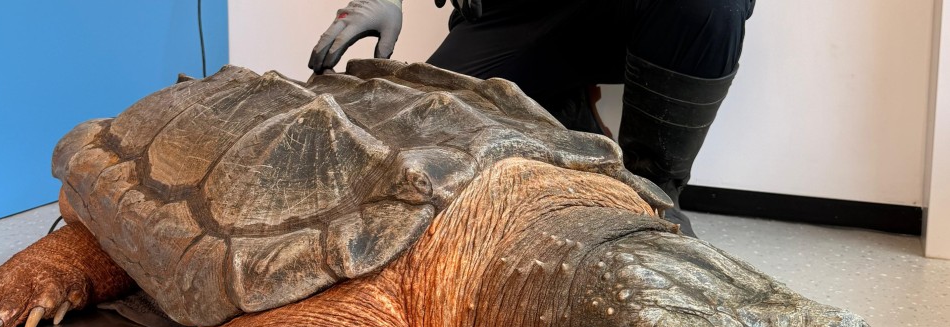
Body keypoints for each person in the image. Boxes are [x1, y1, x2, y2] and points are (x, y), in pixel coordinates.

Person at [309, 0, 755, 237]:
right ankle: (562, 106)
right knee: (416, 136)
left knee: (711, 6)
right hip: (515, 12)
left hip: (632, 10)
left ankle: (656, 187)